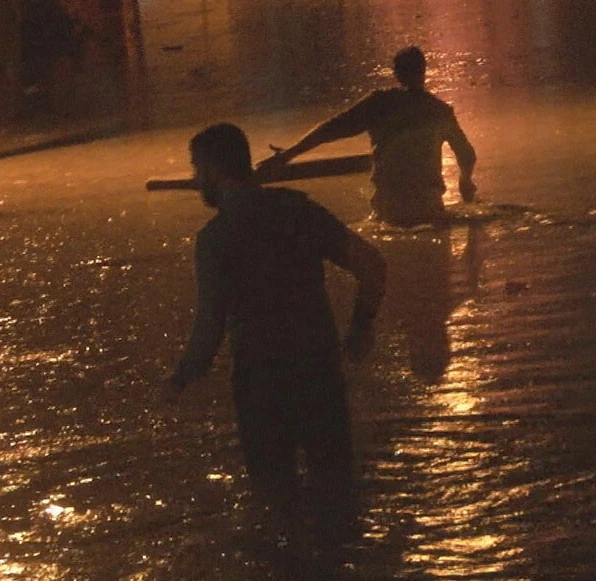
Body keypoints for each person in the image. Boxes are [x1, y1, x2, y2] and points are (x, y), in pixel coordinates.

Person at [161, 123, 387, 546]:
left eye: (196, 170)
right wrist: (359, 330)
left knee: (277, 511)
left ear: (212, 170)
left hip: (262, 384)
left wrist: (181, 377)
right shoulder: (298, 211)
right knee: (338, 502)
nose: (194, 181)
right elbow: (373, 265)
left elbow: (210, 326)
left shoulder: (215, 239)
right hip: (321, 374)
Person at [257, 46, 477, 227]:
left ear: (396, 74)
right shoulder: (440, 111)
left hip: (389, 212)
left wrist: (287, 156)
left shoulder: (379, 104)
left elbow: (329, 130)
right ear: (424, 72)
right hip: (429, 209)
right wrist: (465, 180)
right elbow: (467, 155)